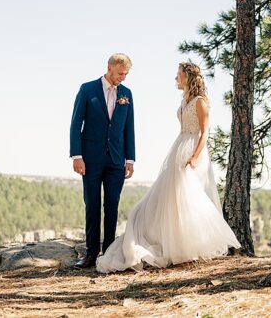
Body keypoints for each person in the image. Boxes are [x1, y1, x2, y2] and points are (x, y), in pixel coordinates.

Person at [96, 62, 240, 273]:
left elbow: (204, 133)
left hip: (193, 151)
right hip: (178, 148)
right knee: (173, 200)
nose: (175, 79)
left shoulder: (200, 102)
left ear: (187, 77)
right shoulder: (185, 100)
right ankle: (175, 245)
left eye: (178, 75)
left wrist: (194, 157)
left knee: (190, 200)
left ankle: (190, 247)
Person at [69, 53, 136, 269]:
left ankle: (109, 253)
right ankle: (90, 254)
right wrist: (77, 156)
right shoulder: (87, 90)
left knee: (112, 205)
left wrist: (130, 159)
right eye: (120, 73)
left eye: (125, 74)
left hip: (116, 160)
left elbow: (129, 128)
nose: (122, 78)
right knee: (92, 204)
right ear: (109, 68)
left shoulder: (127, 94)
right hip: (90, 159)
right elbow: (75, 123)